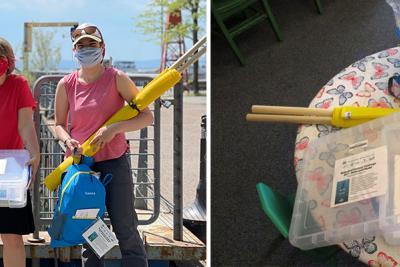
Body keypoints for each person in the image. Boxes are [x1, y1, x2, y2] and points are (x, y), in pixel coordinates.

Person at [54, 23, 152, 267]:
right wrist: (68, 140)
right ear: (74, 51)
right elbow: (58, 124)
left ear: (102, 48)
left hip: (114, 163)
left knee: (125, 226)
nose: (86, 49)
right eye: (81, 46)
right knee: (91, 232)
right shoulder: (66, 85)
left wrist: (114, 129)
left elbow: (147, 116)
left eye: (92, 44)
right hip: (83, 168)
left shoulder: (116, 78)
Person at [0, 37, 40, 267]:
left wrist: (34, 152)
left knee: (12, 237)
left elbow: (25, 124)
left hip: (8, 172)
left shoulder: (18, 84)